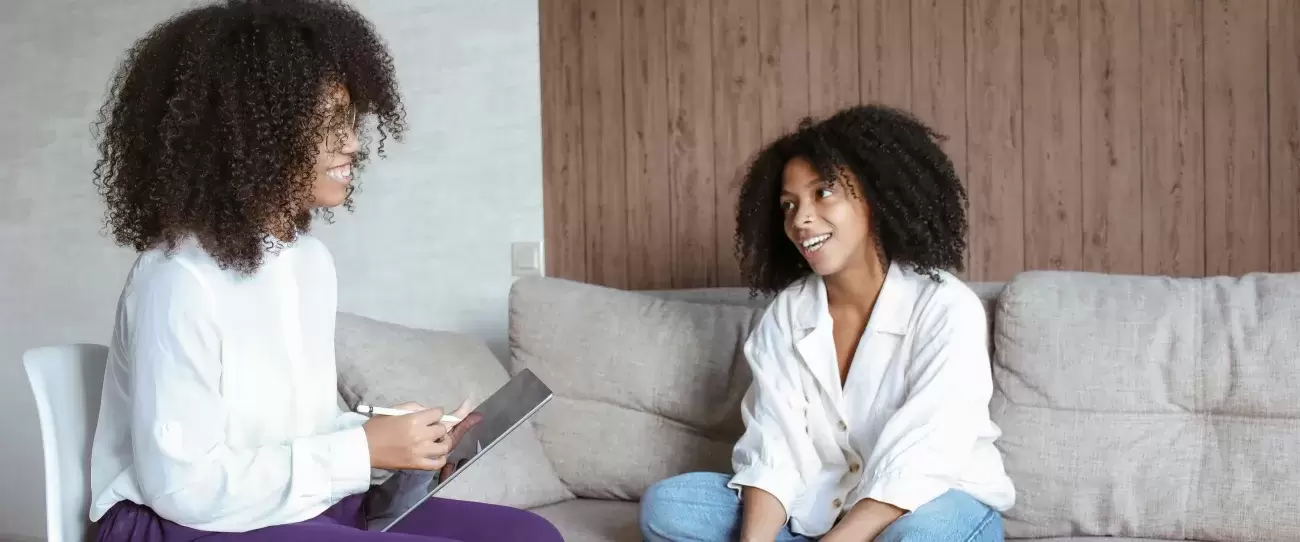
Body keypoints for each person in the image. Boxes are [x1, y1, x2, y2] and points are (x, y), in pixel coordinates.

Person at [85, 1, 563, 541]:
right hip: (174, 522)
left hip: (282, 505)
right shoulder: (176, 280)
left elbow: (291, 435)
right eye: (329, 125)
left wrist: (385, 437)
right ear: (249, 135)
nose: (354, 145)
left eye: (351, 121)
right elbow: (185, 487)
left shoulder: (308, 261)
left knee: (530, 535)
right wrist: (362, 451)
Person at [638, 105, 1016, 542]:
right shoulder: (788, 314)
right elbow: (775, 448)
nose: (800, 219)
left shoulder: (944, 306)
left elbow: (923, 457)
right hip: (820, 509)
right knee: (670, 507)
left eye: (823, 193)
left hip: (933, 505)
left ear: (877, 195)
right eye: (788, 204)